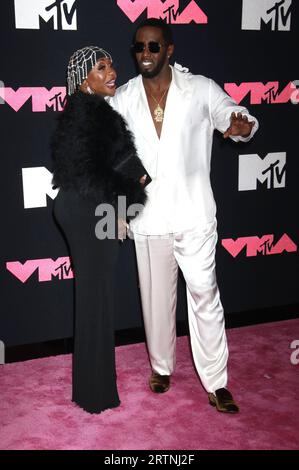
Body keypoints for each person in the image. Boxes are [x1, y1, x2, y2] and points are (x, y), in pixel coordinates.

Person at [110, 19, 259, 413]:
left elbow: (230, 112)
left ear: (170, 50)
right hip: (149, 218)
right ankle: (161, 366)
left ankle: (216, 381)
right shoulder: (124, 97)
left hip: (194, 215)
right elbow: (105, 142)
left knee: (205, 295)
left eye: (153, 47)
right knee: (155, 301)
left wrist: (239, 124)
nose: (145, 54)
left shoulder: (200, 89)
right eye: (139, 47)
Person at [51, 46, 149, 414]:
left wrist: (124, 201)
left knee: (95, 298)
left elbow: (101, 166)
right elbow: (91, 172)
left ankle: (91, 389)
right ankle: (96, 395)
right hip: (90, 210)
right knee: (97, 298)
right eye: (100, 67)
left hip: (85, 207)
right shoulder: (90, 112)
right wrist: (123, 209)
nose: (112, 72)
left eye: (111, 65)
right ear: (82, 78)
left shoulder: (85, 111)